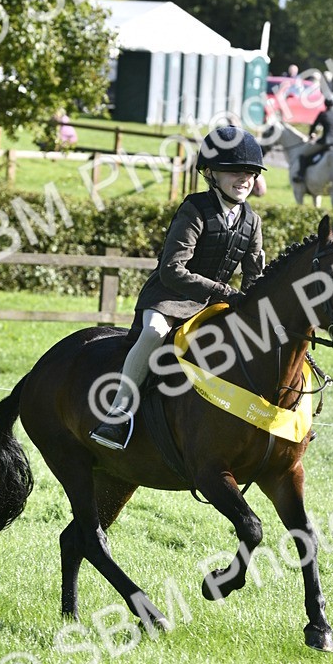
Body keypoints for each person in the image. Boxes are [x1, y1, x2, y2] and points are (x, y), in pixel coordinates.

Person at [90, 125, 265, 450]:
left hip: (213, 305)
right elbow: (172, 270)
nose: (245, 179)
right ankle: (117, 414)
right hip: (170, 298)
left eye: (251, 173)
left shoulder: (252, 221)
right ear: (211, 173)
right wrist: (225, 293)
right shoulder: (195, 210)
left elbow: (254, 274)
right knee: (154, 332)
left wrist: (255, 307)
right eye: (235, 172)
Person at [294, 96, 333, 184]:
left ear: (325, 104)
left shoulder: (323, 114)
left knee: (303, 155)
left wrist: (310, 135)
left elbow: (314, 126)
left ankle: (300, 175)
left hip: (326, 142)